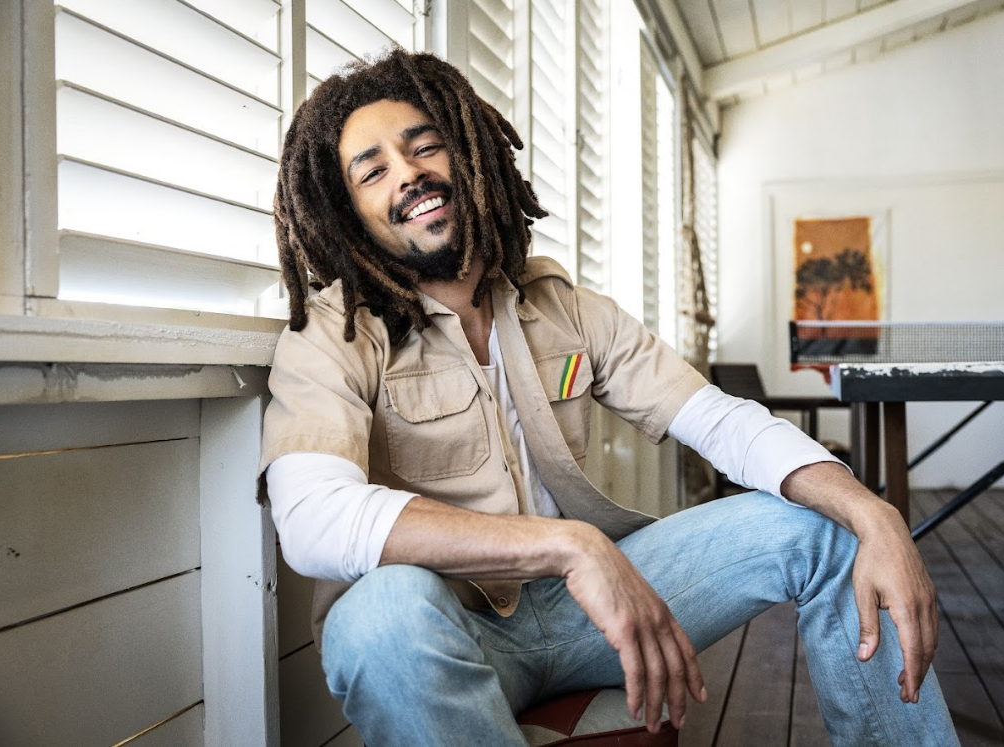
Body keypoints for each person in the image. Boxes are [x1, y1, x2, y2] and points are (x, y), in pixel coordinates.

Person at [261, 48, 958, 746]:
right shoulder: (331, 335)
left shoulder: (563, 307)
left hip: (582, 613)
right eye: (373, 170)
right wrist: (568, 546)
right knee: (375, 614)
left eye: (424, 146)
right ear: (350, 213)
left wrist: (875, 513)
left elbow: (718, 419)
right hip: (456, 629)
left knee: (829, 524)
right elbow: (314, 517)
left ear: (468, 156)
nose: (408, 173)